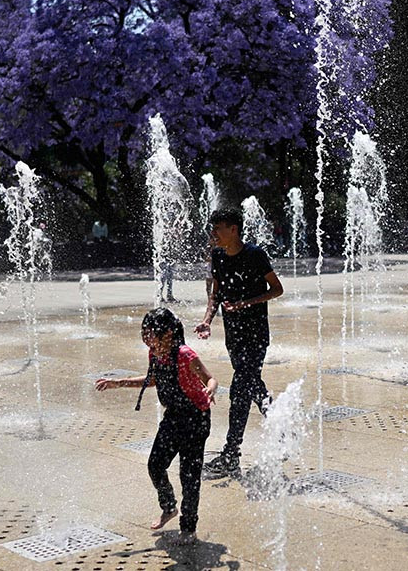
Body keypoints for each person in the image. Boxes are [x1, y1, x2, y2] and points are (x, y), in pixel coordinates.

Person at [95, 308, 217, 545]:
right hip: (173, 418)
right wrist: (118, 383)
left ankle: (189, 527)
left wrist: (210, 389)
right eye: (145, 335)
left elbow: (210, 378)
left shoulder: (184, 355)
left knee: (189, 476)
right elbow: (154, 379)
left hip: (195, 419)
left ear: (169, 333)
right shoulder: (155, 354)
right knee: (155, 465)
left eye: (152, 335)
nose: (148, 340)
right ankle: (169, 506)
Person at [195, 206, 283, 477]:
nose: (214, 234)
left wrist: (247, 303)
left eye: (218, 228)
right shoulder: (218, 256)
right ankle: (279, 422)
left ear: (233, 229)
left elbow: (277, 289)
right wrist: (208, 320)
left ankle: (230, 454)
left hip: (256, 334)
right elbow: (215, 295)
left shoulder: (255, 255)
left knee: (240, 389)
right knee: (251, 382)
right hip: (233, 336)